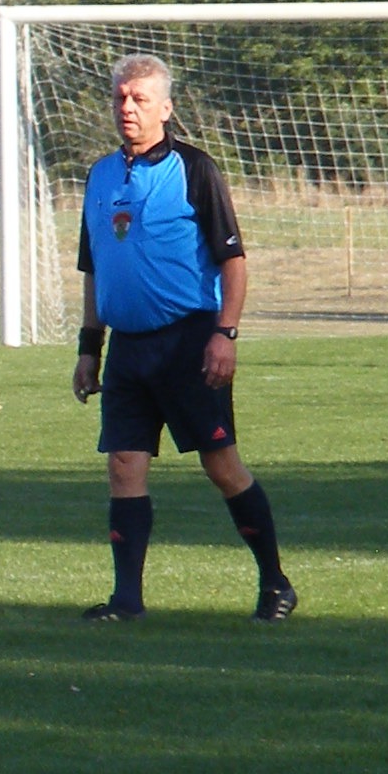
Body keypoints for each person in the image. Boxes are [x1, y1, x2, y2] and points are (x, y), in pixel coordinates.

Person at [69, 54, 295, 624]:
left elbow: (234, 263)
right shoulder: (99, 176)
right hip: (127, 349)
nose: (127, 108)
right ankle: (127, 601)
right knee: (124, 465)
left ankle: (275, 583)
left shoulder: (195, 169)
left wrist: (225, 334)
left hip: (190, 343)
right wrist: (88, 349)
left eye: (140, 99)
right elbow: (96, 269)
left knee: (222, 467)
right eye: (120, 97)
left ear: (165, 108)